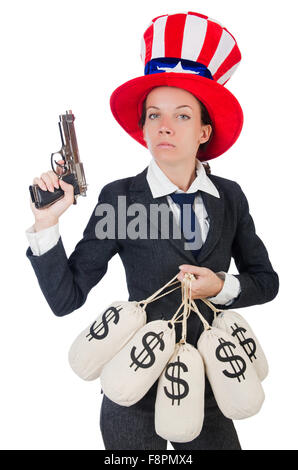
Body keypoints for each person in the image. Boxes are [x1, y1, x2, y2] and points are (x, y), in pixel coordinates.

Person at [26, 12, 279, 450]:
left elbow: (266, 282)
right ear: (142, 128)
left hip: (210, 391)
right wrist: (47, 224)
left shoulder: (231, 198)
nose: (165, 125)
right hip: (133, 392)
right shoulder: (120, 199)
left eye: (182, 115)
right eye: (154, 115)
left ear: (204, 130)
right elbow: (66, 300)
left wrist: (220, 286)